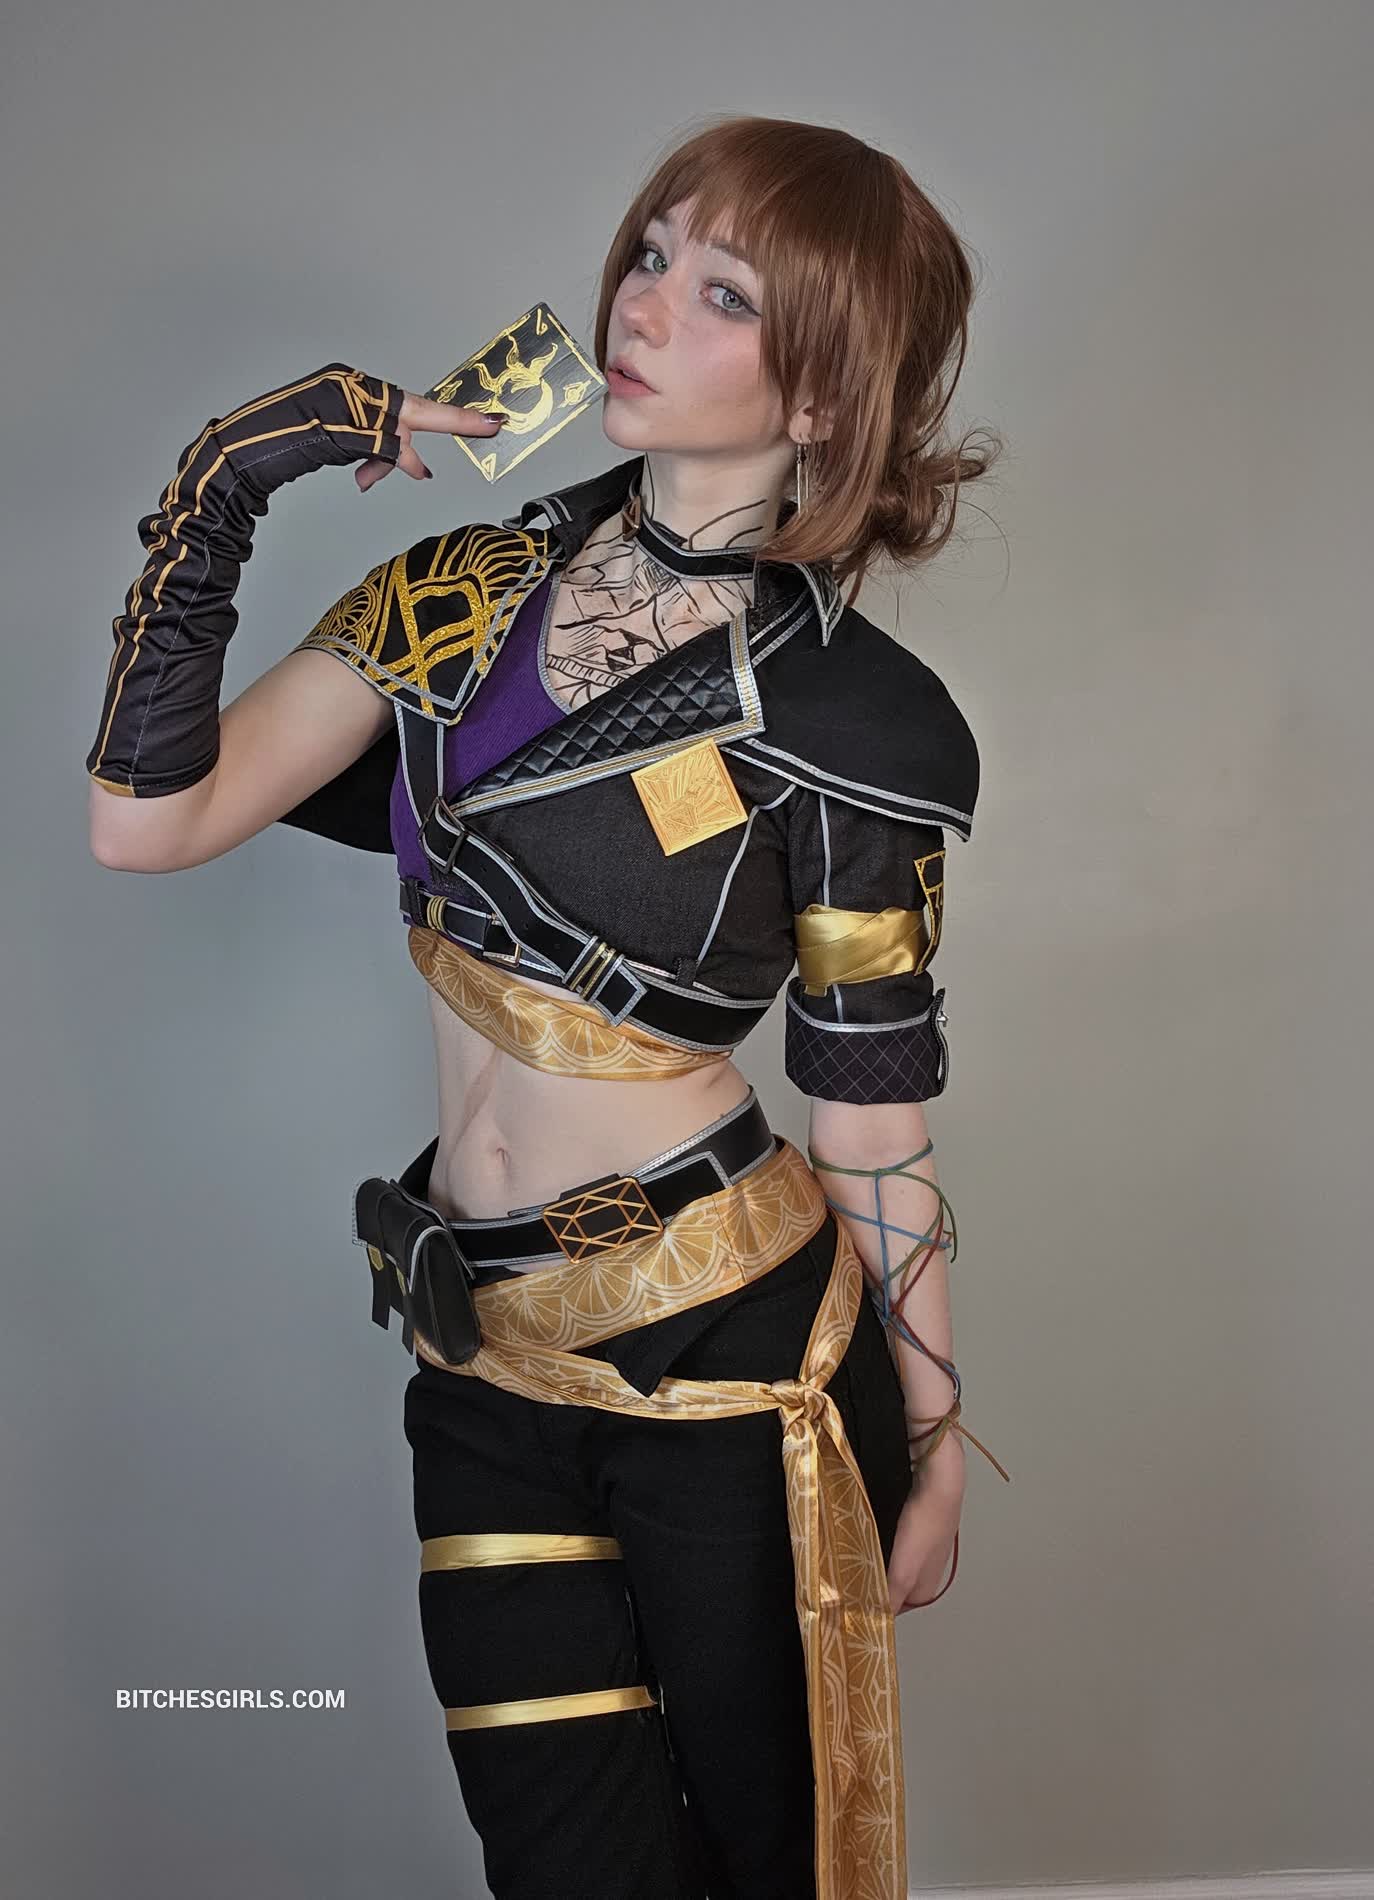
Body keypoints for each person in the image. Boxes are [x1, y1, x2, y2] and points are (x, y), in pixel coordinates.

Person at [86, 112, 1008, 1900]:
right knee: (566, 1862)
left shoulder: (859, 722)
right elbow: (151, 823)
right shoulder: (457, 592)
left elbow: (871, 1122)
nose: (645, 304)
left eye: (724, 292)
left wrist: (935, 1431)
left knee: (770, 1856)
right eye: (652, 254)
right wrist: (227, 482)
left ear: (826, 395)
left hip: (730, 1353)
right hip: (480, 1344)